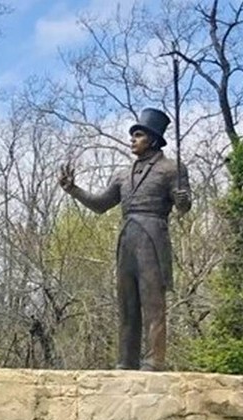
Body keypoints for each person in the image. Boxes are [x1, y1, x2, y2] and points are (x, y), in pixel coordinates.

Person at [58, 108, 191, 371]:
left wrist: (184, 200)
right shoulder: (122, 174)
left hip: (153, 235)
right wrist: (73, 189)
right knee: (127, 303)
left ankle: (154, 360)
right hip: (127, 238)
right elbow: (101, 204)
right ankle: (126, 360)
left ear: (152, 140)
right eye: (132, 135)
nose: (132, 139)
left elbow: (183, 207)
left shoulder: (171, 168)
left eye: (138, 135)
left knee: (153, 303)